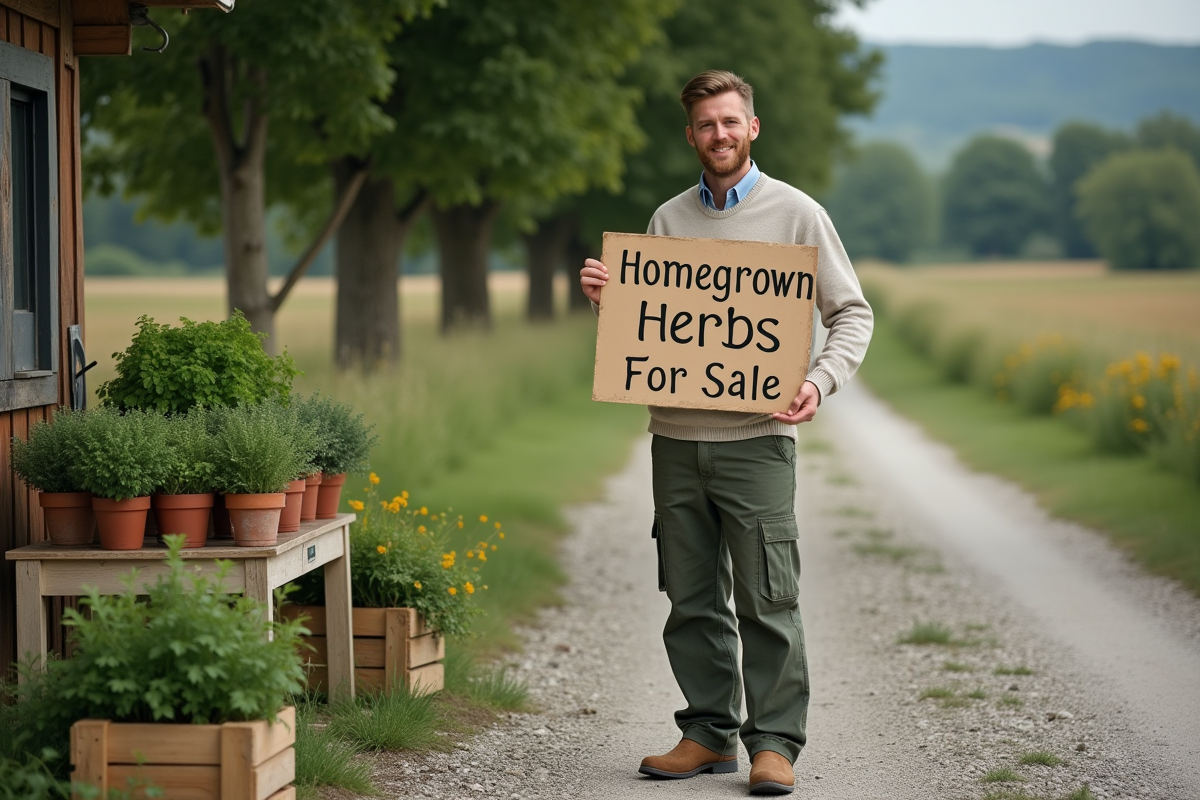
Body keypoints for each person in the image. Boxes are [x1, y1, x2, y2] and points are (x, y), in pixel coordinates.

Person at [579, 70, 873, 796]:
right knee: (689, 594)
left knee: (768, 596)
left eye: (730, 122)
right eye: (706, 124)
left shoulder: (798, 214)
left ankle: (774, 743)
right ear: (691, 135)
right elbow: (654, 330)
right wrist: (609, 305)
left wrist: (817, 380)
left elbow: (852, 314)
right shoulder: (667, 220)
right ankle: (707, 734)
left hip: (758, 439)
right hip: (675, 440)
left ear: (753, 127)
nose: (719, 135)